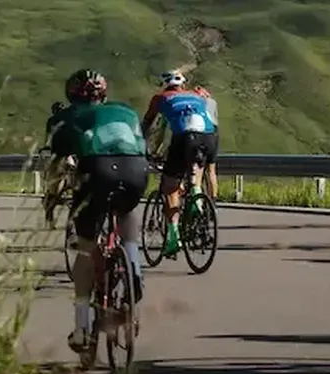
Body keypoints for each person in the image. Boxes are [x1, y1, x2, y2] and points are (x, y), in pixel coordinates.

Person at [42, 69, 148, 356]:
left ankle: (82, 328)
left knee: (87, 249)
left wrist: (51, 200)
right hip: (137, 169)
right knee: (125, 214)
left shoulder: (66, 117)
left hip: (98, 171)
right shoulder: (124, 110)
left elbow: (56, 164)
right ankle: (134, 269)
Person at [141, 70, 216, 259]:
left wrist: (140, 144)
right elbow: (209, 103)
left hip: (184, 138)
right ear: (183, 84)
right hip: (209, 138)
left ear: (165, 84)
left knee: (170, 186)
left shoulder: (160, 98)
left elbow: (147, 124)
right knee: (195, 177)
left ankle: (174, 238)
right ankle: (198, 204)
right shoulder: (196, 94)